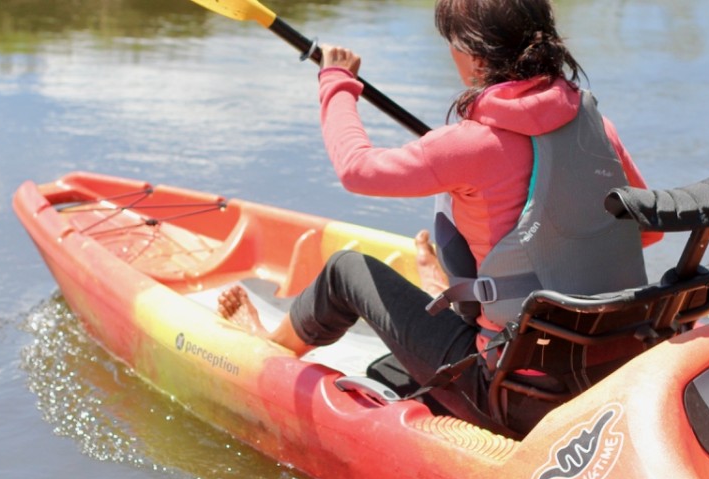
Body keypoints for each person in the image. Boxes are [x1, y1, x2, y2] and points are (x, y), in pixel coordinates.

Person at [218, 0, 659, 435]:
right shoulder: (598, 127)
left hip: (516, 393)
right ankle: (454, 295)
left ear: (477, 57)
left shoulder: (468, 144)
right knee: (392, 364)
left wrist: (335, 81)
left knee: (346, 270)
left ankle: (269, 348)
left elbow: (356, 169)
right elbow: (646, 233)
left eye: (452, 42)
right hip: (613, 367)